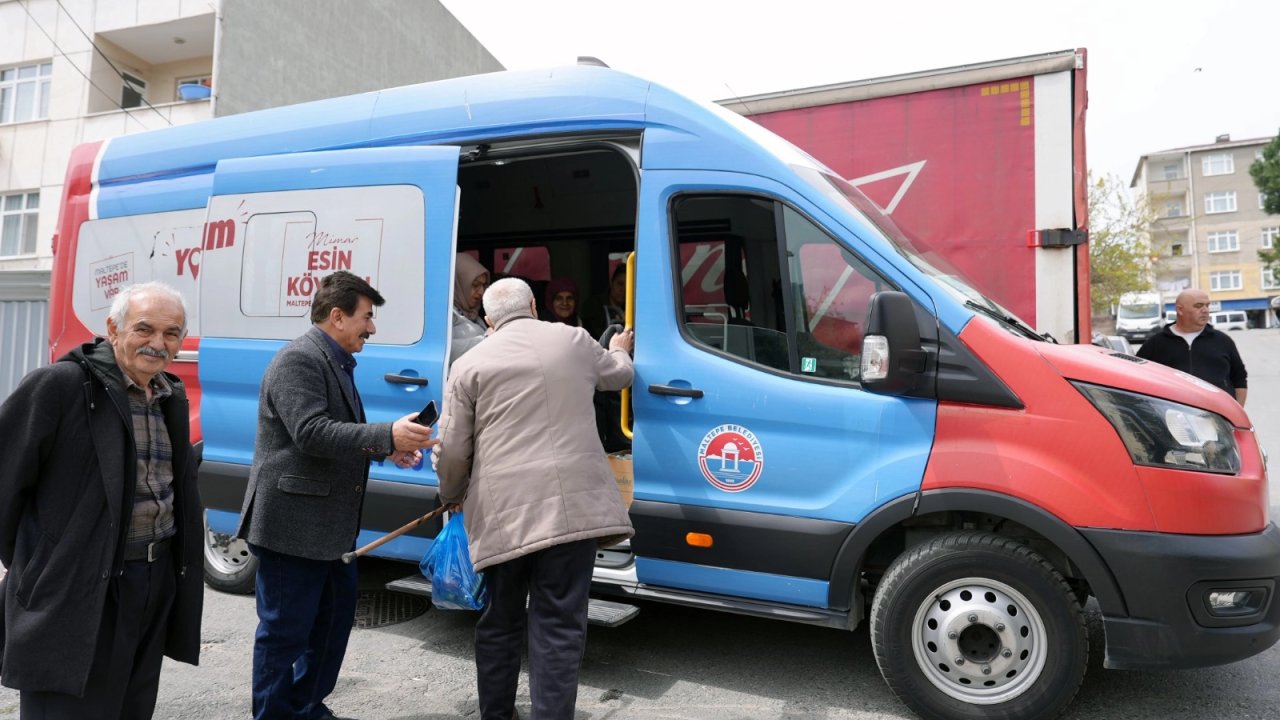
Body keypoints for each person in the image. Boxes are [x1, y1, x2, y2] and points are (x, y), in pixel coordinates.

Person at [237, 270, 436, 720]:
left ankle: (306, 707)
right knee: (284, 635)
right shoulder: (299, 360)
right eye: (367, 317)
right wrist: (387, 435)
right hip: (292, 529)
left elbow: (335, 437)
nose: (372, 328)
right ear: (338, 316)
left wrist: (389, 450)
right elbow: (310, 433)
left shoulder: (334, 361)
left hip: (329, 530)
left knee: (329, 630)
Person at [0, 281, 203, 719]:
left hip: (152, 580)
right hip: (79, 586)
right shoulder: (59, 386)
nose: (157, 343)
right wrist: (34, 566)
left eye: (171, 333)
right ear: (114, 328)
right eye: (144, 329)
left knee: (130, 708)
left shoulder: (169, 395)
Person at [436, 277, 635, 720]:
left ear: (489, 320)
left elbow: (451, 448)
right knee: (560, 626)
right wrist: (620, 345)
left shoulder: (470, 364)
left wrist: (451, 495)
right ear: (532, 305)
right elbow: (619, 375)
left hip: (503, 518)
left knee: (500, 622)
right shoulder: (574, 340)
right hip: (572, 515)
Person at [1136, 288, 1248, 406]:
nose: (1205, 310)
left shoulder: (1223, 341)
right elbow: (1136, 378)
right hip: (1171, 416)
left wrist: (1236, 417)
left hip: (1217, 417)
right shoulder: (1156, 343)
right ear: (1180, 309)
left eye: (1207, 305)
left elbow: (1239, 379)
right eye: (1198, 306)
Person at [451, 253, 491, 365]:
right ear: (458, 284)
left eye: (483, 285)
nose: (481, 292)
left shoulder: (472, 313)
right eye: (475, 285)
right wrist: (488, 340)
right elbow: (444, 350)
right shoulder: (444, 315)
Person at [582, 263, 627, 338]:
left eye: (628, 285)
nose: (623, 289)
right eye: (620, 284)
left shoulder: (633, 309)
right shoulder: (593, 305)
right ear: (611, 283)